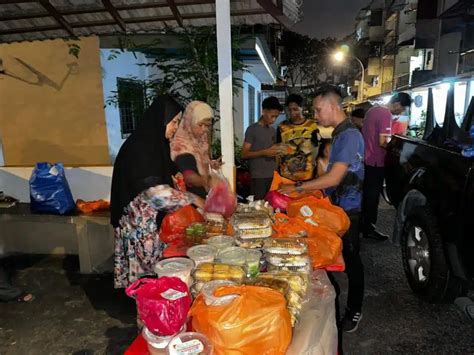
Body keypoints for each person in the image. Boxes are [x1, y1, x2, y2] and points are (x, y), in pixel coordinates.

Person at [279, 86, 365, 333]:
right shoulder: (339, 134)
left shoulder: (349, 135)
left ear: (333, 106)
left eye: (318, 109)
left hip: (347, 210)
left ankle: (355, 309)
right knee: (334, 257)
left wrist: (298, 187)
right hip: (333, 209)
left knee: (351, 260)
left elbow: (334, 178)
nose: (316, 115)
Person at [110, 95, 204, 289]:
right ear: (162, 118)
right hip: (139, 227)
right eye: (174, 122)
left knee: (154, 275)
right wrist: (194, 199)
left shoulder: (154, 144)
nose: (175, 128)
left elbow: (170, 170)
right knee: (146, 279)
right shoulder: (141, 149)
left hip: (150, 224)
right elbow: (158, 195)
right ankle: (147, 312)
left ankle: (151, 308)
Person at [361, 92, 412, 240]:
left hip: (366, 159)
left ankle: (363, 226)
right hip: (376, 161)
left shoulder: (372, 110)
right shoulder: (385, 114)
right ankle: (369, 230)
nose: (400, 113)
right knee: (372, 197)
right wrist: (397, 149)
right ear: (396, 104)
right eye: (401, 109)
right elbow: (383, 142)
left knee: (367, 195)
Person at [170, 101, 219, 199]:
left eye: (207, 126)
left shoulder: (200, 143)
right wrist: (209, 181)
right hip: (189, 203)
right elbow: (189, 177)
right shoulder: (181, 146)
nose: (204, 129)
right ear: (189, 123)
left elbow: (197, 164)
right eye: (200, 125)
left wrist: (210, 164)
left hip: (201, 198)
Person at [241, 96, 283, 200]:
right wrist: (264, 152)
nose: (273, 120)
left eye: (276, 117)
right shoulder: (252, 129)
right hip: (258, 176)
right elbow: (244, 154)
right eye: (272, 116)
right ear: (263, 111)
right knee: (258, 206)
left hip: (273, 175)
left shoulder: (272, 130)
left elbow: (272, 149)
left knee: (271, 205)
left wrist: (279, 150)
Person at [276, 94, 319, 181]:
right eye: (289, 110)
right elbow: (278, 150)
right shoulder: (282, 127)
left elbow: (315, 148)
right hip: (286, 175)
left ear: (302, 108)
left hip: (307, 175)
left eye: (295, 109)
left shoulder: (311, 126)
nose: (292, 113)